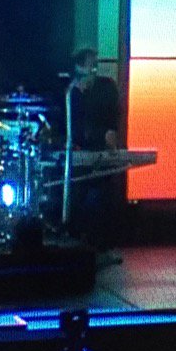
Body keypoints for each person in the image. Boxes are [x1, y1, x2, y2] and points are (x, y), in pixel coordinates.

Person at [66, 47, 122, 248]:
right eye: (89, 65)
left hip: (102, 153)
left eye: (94, 64)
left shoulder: (106, 88)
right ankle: (79, 237)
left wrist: (108, 135)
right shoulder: (72, 93)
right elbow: (76, 130)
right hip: (81, 155)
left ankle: (101, 242)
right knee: (81, 195)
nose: (92, 69)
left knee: (102, 195)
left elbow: (112, 120)